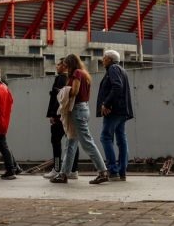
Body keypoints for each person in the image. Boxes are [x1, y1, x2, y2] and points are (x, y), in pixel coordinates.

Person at [50, 54, 109, 184]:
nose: (65, 67)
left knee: (86, 142)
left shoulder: (76, 73)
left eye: (66, 65)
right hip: (82, 109)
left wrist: (63, 92)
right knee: (70, 143)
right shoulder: (84, 73)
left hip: (77, 110)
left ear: (71, 64)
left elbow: (75, 91)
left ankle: (103, 172)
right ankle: (63, 174)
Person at [96, 49, 133, 181]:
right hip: (122, 110)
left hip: (114, 110)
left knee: (105, 137)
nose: (102, 60)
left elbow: (117, 87)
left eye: (104, 57)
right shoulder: (121, 70)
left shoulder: (112, 69)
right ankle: (122, 171)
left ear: (110, 59)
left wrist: (106, 104)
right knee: (121, 140)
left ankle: (113, 170)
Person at [44, 59, 79, 179]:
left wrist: (53, 115)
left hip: (59, 116)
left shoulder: (60, 78)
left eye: (59, 64)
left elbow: (58, 99)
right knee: (72, 141)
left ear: (64, 66)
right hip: (68, 114)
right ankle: (74, 170)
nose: (56, 66)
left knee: (56, 141)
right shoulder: (71, 78)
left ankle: (57, 168)